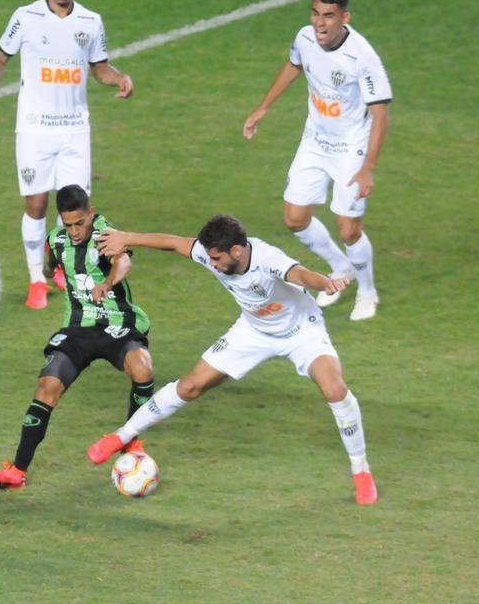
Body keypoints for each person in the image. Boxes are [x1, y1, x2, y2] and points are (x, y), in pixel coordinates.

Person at [87, 215, 377, 505]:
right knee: (189, 386)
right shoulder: (213, 252)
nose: (211, 263)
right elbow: (173, 243)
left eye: (216, 258)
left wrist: (325, 282)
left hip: (301, 330)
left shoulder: (267, 257)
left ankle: (361, 472)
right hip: (252, 332)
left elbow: (299, 274)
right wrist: (126, 236)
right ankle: (120, 436)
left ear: (237, 251)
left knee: (334, 389)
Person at [0, 0, 135, 310]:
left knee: (75, 208)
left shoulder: (91, 21)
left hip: (75, 130)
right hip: (34, 129)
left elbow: (100, 67)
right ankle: (36, 281)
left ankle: (60, 266)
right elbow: (0, 58)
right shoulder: (26, 17)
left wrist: (119, 79)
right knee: (37, 203)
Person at [0, 184, 154, 490]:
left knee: (143, 368)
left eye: (80, 223)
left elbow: (123, 260)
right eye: (69, 224)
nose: (76, 231)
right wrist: (50, 272)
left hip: (117, 323)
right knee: (47, 386)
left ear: (91, 213)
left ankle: (131, 443)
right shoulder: (58, 240)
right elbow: (52, 265)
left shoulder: (105, 233)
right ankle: (17, 470)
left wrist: (108, 282)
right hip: (78, 328)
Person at [242, 0, 392, 321]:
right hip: (315, 139)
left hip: (351, 146)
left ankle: (368, 292)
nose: (320, 23)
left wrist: (368, 167)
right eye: (315, 13)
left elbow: (381, 114)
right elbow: (294, 65)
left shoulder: (362, 57)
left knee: (348, 228)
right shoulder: (305, 38)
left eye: (328, 16)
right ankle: (341, 268)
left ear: (344, 18)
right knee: (295, 218)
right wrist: (263, 107)